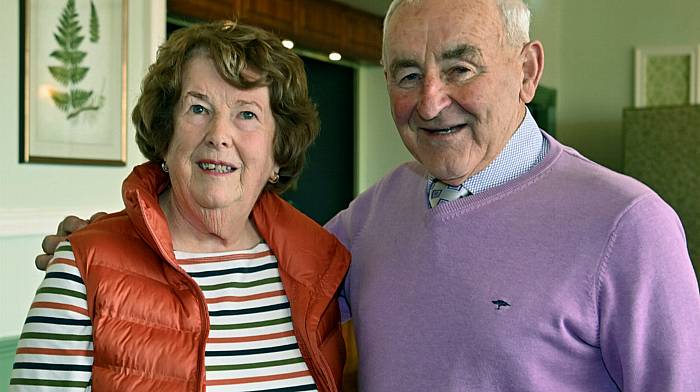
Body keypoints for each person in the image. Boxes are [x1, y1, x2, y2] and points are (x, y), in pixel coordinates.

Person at [34, 0, 700, 391]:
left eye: (460, 67)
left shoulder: (627, 227)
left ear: (527, 71)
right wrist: (107, 240)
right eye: (407, 74)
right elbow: (214, 248)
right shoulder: (365, 222)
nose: (432, 100)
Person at [11, 20, 350, 392]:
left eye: (247, 114)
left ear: (278, 155)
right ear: (165, 135)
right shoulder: (81, 266)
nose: (219, 135)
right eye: (198, 109)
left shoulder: (320, 264)